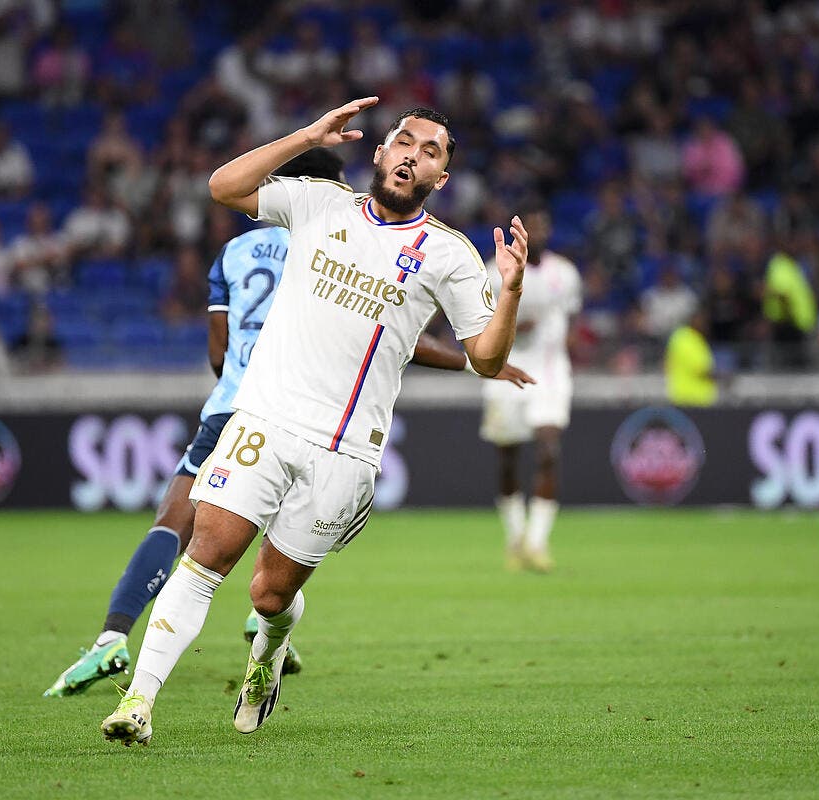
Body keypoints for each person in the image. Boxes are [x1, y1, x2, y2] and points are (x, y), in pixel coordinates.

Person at [99, 99, 528, 744]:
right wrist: (307, 136)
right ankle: (139, 702)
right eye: (404, 141)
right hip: (265, 422)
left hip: (347, 454)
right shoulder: (319, 203)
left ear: (441, 178)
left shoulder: (451, 255)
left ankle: (266, 655)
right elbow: (224, 186)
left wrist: (512, 291)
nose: (413, 154)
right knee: (206, 554)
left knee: (269, 595)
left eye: (431, 150)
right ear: (379, 153)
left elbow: (486, 357)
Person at [480, 205, 580, 573]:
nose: (538, 232)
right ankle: (516, 537)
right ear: (516, 231)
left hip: (551, 373)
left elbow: (570, 316)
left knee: (549, 450)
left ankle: (537, 543)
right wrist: (511, 328)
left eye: (543, 225)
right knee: (508, 458)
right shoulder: (494, 273)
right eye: (531, 226)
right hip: (505, 372)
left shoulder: (565, 273)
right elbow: (478, 322)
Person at [665, 309, 718, 407]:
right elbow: (701, 369)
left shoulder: (690, 338)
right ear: (693, 320)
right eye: (702, 321)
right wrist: (722, 378)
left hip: (688, 397)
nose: (705, 324)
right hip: (691, 398)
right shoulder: (686, 339)